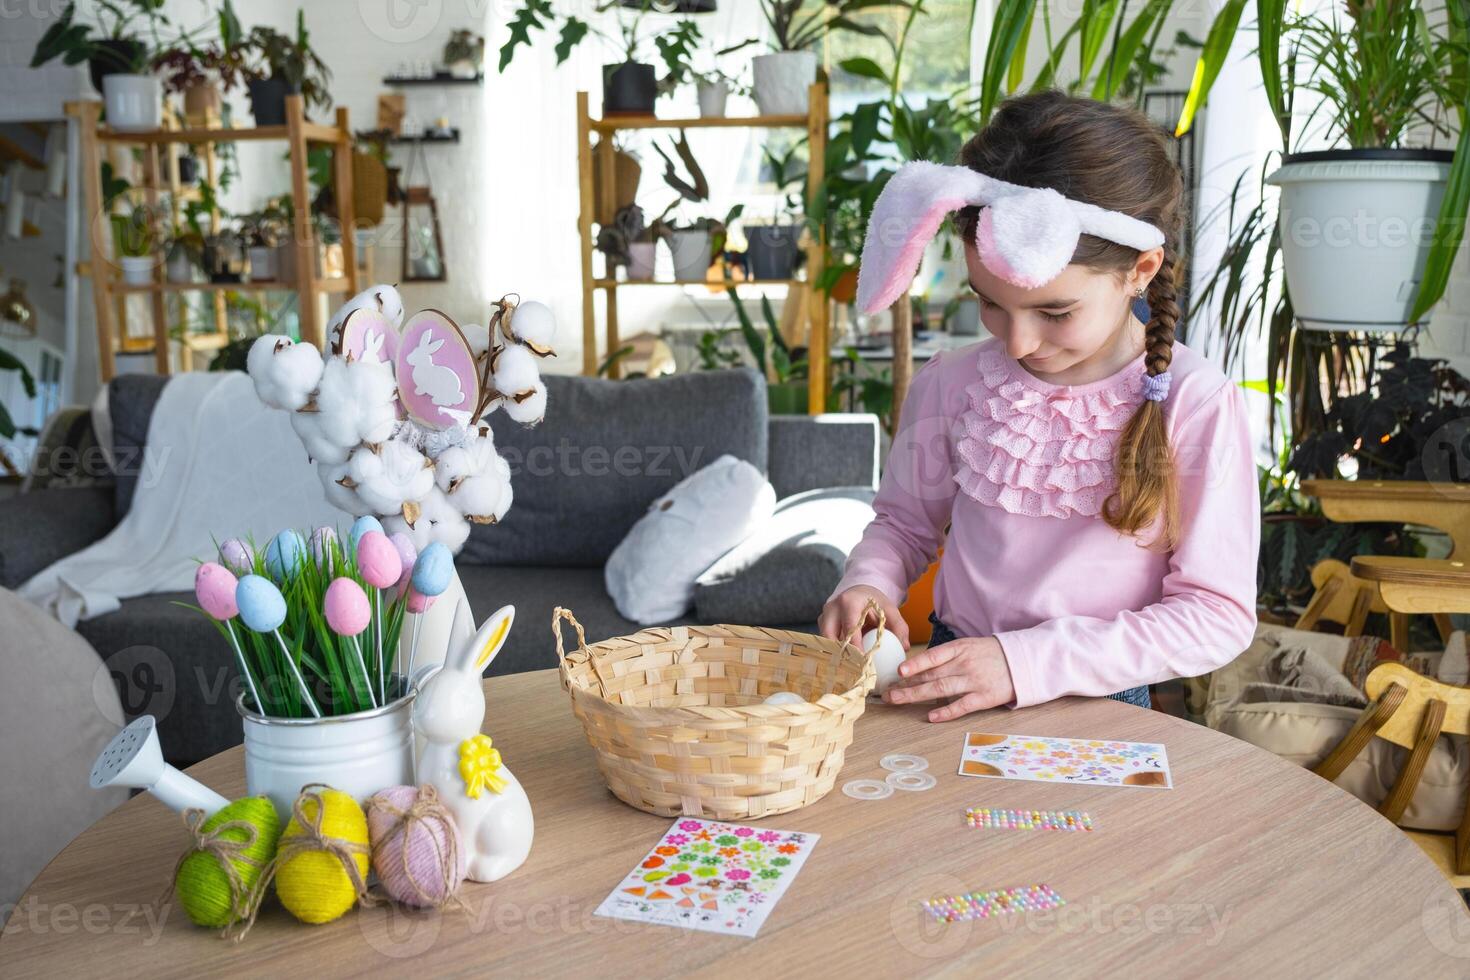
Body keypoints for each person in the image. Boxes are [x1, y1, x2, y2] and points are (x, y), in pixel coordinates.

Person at [818, 91, 1259, 721]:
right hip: (948, 678)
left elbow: (1215, 615)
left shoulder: (1196, 402)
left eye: (1055, 312)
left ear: (1140, 269)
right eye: (990, 303)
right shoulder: (952, 383)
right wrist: (867, 581)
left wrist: (1023, 661)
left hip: (1100, 700)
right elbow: (903, 525)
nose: (1019, 342)